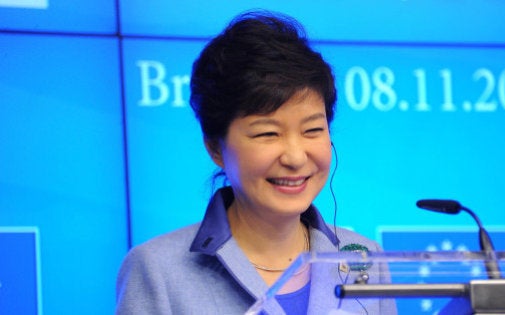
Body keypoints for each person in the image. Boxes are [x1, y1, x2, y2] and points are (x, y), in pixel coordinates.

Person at [115, 11, 395, 315]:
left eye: (312, 130)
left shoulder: (362, 258)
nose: (295, 157)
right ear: (215, 147)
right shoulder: (158, 269)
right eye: (268, 133)